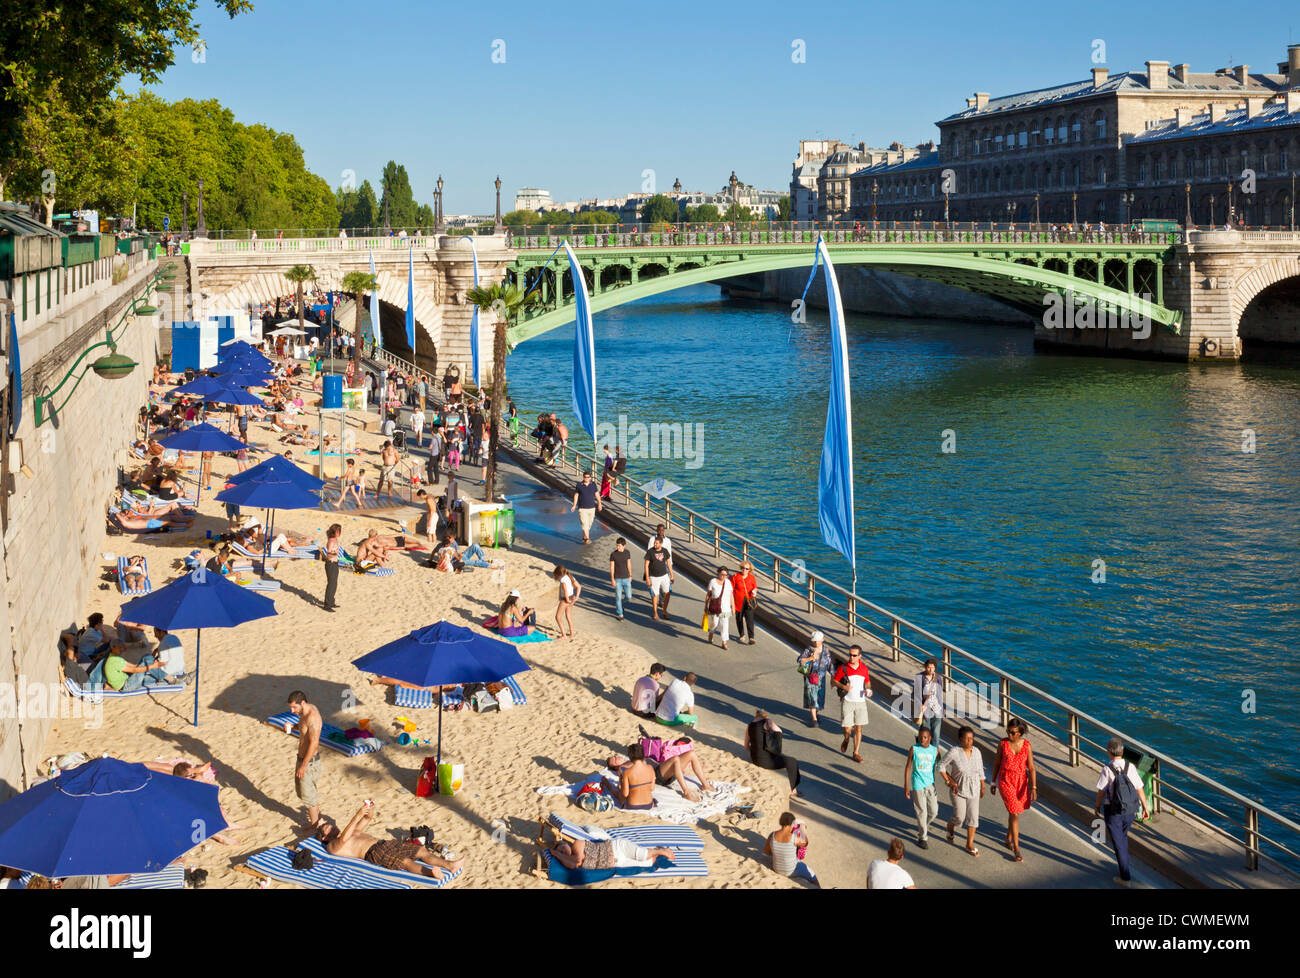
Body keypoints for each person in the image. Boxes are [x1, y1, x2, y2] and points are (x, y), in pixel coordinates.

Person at [317, 801, 465, 876]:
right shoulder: (332, 846)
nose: (331, 826)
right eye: (328, 827)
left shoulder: (352, 831)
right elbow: (343, 839)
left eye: (330, 825)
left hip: (386, 843)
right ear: (324, 838)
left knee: (420, 849)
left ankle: (449, 865)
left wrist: (369, 808)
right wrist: (357, 814)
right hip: (375, 853)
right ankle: (430, 873)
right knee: (405, 862)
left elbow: (368, 818)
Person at [1093, 736, 1150, 886]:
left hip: (1113, 812)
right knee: (1123, 837)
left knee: (1118, 844)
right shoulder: (1130, 767)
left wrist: (1097, 806)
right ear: (1122, 751)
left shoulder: (1107, 769)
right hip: (1130, 810)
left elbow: (1101, 791)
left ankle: (1125, 877)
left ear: (1109, 752)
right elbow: (1139, 788)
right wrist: (1145, 807)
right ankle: (1124, 865)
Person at [991, 717, 1036, 862]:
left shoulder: (1027, 746)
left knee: (1014, 812)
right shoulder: (1002, 744)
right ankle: (1016, 848)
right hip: (1006, 781)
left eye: (1013, 732)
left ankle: (1008, 838)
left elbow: (1032, 768)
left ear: (1020, 733)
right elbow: (997, 763)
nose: (1009, 735)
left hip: (1021, 782)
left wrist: (1033, 787)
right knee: (1015, 813)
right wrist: (993, 782)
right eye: (1008, 731)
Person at [940, 725, 986, 857]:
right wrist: (949, 781)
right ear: (960, 739)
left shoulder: (977, 752)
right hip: (958, 790)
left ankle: (969, 844)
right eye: (966, 739)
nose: (969, 741)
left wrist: (982, 786)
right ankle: (950, 826)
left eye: (971, 739)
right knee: (959, 818)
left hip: (974, 789)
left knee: (973, 818)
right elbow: (941, 766)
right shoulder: (954, 752)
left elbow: (981, 771)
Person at [286, 691, 324, 828]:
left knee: (308, 796)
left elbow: (314, 744)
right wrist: (293, 726)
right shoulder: (305, 711)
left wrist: (303, 766)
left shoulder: (312, 717)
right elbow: (304, 729)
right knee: (304, 793)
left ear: (302, 703)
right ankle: (317, 821)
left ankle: (315, 827)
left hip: (309, 762)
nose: (292, 710)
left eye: (294, 707)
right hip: (302, 759)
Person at [745, 709, 802, 798]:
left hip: (755, 759)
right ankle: (794, 790)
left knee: (783, 758)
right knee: (792, 761)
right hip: (767, 761)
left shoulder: (749, 726)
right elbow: (779, 731)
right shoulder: (767, 721)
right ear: (765, 716)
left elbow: (746, 746)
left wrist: (755, 751)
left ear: (756, 716)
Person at [833, 644, 873, 763]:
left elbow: (867, 682)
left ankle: (856, 752)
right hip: (848, 701)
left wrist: (869, 689)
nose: (851, 657)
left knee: (858, 728)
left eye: (854, 655)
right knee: (847, 729)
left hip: (861, 702)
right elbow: (834, 681)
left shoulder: (864, 668)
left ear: (859, 656)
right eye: (850, 655)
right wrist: (844, 686)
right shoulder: (843, 668)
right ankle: (846, 739)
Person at [549, 835, 674, 871]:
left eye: (562, 846)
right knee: (649, 862)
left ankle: (661, 850)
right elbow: (574, 864)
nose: (562, 850)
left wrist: (557, 854)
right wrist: (558, 855)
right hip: (617, 862)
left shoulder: (577, 843)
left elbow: (576, 861)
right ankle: (658, 850)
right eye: (560, 851)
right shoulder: (568, 862)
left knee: (642, 855)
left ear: (567, 843)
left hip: (617, 848)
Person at [904, 726, 940, 849]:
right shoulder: (914, 749)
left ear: (930, 738)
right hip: (917, 784)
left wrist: (949, 781)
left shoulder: (935, 751)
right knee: (922, 812)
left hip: (930, 784)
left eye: (925, 737)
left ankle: (922, 825)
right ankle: (922, 837)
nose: (922, 740)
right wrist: (906, 786)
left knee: (934, 811)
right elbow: (908, 767)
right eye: (920, 737)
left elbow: (938, 767)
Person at [764, 812, 818, 886]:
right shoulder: (794, 837)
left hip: (776, 869)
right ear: (792, 824)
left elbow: (766, 852)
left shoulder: (772, 835)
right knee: (812, 874)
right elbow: (806, 842)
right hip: (791, 871)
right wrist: (802, 828)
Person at [796, 632, 832, 728]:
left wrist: (833, 676)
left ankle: (816, 713)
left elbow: (829, 664)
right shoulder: (809, 650)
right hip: (810, 677)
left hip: (821, 678)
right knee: (812, 697)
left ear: (821, 640)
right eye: (814, 641)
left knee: (820, 697)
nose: (816, 643)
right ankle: (814, 720)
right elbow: (800, 660)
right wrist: (811, 658)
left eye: (817, 641)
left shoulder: (826, 650)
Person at [913, 657, 944, 747]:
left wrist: (942, 709)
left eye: (933, 667)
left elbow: (940, 694)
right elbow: (916, 694)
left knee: (936, 733)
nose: (931, 669)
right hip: (925, 708)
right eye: (929, 667)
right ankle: (922, 748)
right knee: (926, 731)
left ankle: (934, 752)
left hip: (936, 708)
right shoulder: (919, 677)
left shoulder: (938, 678)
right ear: (925, 667)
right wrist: (920, 706)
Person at [643, 536, 674, 621]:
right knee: (655, 595)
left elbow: (668, 563)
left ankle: (664, 611)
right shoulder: (650, 552)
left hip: (664, 576)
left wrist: (671, 575)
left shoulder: (664, 551)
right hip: (654, 577)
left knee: (667, 593)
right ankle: (655, 613)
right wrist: (647, 578)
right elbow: (646, 565)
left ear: (661, 544)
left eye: (656, 543)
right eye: (654, 543)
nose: (655, 544)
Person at [704, 565, 734, 649]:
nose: (724, 576)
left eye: (726, 575)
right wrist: (706, 605)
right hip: (715, 607)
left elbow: (731, 595)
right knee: (715, 624)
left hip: (725, 608)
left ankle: (724, 642)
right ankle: (711, 632)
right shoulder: (713, 581)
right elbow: (708, 595)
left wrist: (733, 607)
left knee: (724, 625)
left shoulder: (728, 582)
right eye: (722, 574)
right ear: (718, 573)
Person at [570, 470, 602, 544]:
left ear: (590, 478)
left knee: (589, 523)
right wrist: (574, 505)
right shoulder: (579, 485)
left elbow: (597, 494)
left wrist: (599, 503)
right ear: (583, 477)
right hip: (582, 508)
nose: (586, 478)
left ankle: (584, 537)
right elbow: (576, 495)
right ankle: (587, 538)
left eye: (588, 477)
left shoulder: (593, 485)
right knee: (584, 523)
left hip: (592, 508)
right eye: (585, 477)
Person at [731, 560, 758, 645]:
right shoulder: (735, 576)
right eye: (742, 568)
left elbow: (755, 587)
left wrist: (754, 591)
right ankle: (741, 634)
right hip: (738, 601)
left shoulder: (752, 577)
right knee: (739, 618)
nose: (744, 570)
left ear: (750, 570)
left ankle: (751, 637)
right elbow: (731, 589)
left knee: (749, 619)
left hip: (749, 601)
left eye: (746, 569)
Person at [552, 564, 580, 638]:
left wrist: (567, 600)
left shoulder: (562, 580)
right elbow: (579, 587)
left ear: (559, 574)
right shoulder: (570, 577)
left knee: (557, 617)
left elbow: (565, 591)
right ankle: (572, 633)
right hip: (572, 597)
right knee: (568, 616)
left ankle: (564, 635)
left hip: (566, 599)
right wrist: (576, 597)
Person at [609, 537, 633, 619]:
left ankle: (621, 604)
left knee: (628, 596)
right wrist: (612, 579)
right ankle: (620, 613)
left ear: (624, 546)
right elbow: (612, 567)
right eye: (617, 546)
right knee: (618, 597)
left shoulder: (627, 553)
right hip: (617, 579)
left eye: (619, 546)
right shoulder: (613, 554)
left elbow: (629, 564)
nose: (617, 547)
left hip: (626, 578)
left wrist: (630, 575)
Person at [322, 523, 342, 612]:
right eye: (338, 531)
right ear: (335, 532)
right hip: (330, 563)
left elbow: (327, 531)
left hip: (335, 563)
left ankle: (331, 602)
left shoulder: (335, 539)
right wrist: (335, 553)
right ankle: (327, 605)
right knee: (331, 584)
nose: (340, 533)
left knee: (334, 584)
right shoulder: (331, 541)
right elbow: (328, 554)